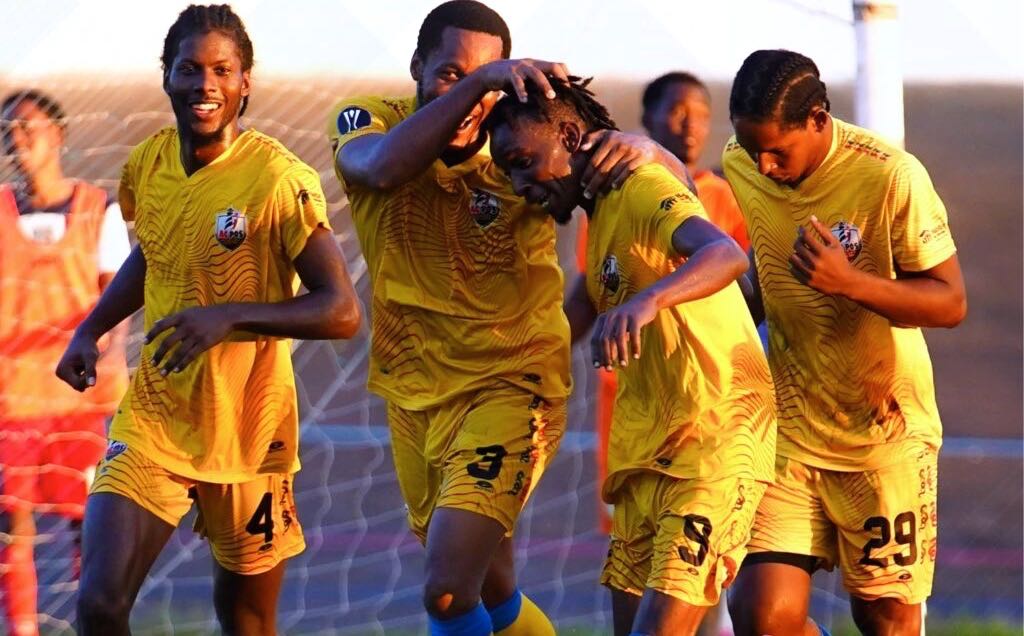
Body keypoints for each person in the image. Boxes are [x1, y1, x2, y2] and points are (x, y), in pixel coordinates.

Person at [327, 2, 688, 634]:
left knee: (445, 589)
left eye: (488, 78)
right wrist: (480, 84)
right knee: (494, 597)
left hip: (512, 388)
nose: (471, 98)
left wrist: (651, 152)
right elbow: (380, 170)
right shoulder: (369, 121)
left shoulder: (519, 148)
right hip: (414, 394)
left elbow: (656, 191)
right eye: (449, 74)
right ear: (416, 66)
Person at [54, 5, 361, 634]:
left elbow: (341, 309)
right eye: (189, 69)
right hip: (155, 421)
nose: (205, 84)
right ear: (166, 75)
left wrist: (230, 317)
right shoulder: (147, 164)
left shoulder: (277, 178)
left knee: (246, 621)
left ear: (246, 80)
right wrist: (91, 327)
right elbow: (154, 253)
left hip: (251, 434)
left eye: (222, 69)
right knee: (99, 604)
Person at [486, 77, 776, 636]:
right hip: (647, 454)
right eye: (509, 173)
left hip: (713, 444)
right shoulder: (601, 212)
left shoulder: (638, 184)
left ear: (569, 135)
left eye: (524, 162)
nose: (521, 185)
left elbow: (725, 256)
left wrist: (647, 302)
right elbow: (581, 305)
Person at [722, 49, 967, 636]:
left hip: (883, 437)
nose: (765, 164)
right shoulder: (742, 163)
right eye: (754, 149)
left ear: (818, 119)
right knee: (762, 615)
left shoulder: (891, 176)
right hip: (789, 431)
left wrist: (850, 283)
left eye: (778, 150)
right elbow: (765, 265)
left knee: (884, 620)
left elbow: (950, 301)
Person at [0, 89, 130, 636]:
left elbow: (117, 299)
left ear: (59, 135)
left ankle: (92, 622)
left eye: (28, 126)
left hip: (78, 398)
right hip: (13, 396)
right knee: (13, 524)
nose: (18, 137)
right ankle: (22, 628)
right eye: (9, 129)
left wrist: (110, 351)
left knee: (91, 522)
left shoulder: (100, 210)